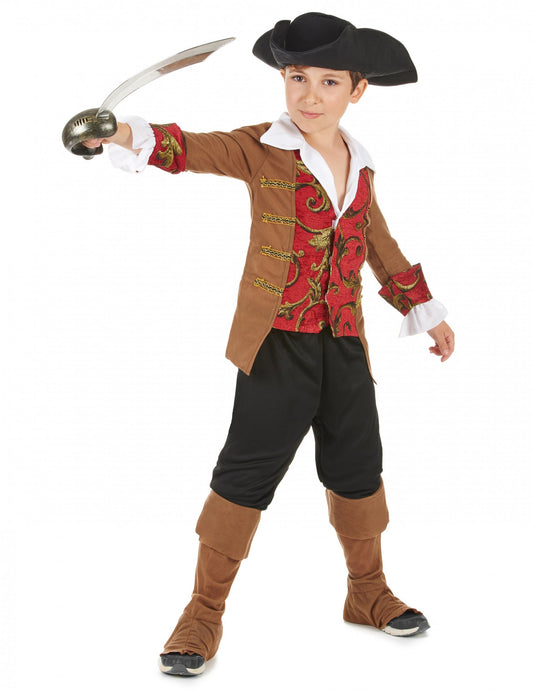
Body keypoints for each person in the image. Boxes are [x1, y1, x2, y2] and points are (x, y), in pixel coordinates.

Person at [83, 12, 455, 677]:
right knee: (245, 474)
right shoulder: (261, 148)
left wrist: (424, 312)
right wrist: (120, 132)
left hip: (345, 343)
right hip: (277, 344)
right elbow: (189, 148)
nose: (309, 95)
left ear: (357, 90)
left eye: (328, 81)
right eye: (296, 77)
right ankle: (203, 611)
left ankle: (367, 591)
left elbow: (378, 243)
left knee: (357, 467)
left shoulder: (361, 165)